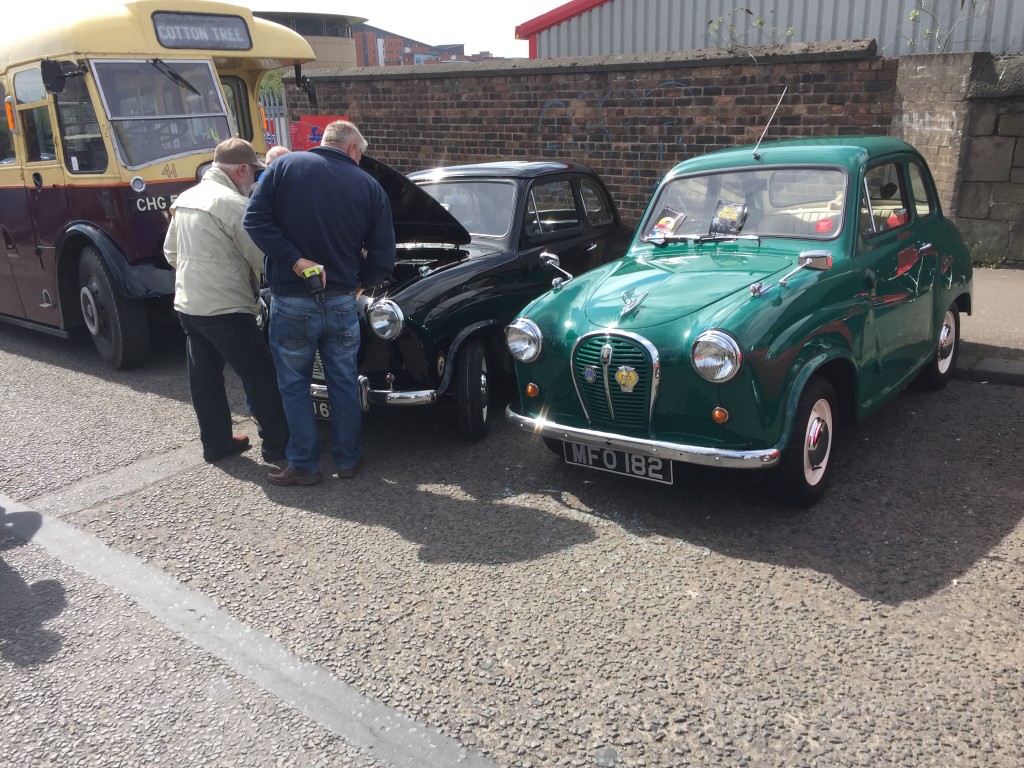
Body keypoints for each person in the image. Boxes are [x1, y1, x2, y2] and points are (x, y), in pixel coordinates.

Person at [244, 120, 395, 486]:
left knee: (293, 384)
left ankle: (305, 465)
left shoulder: (283, 166)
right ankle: (347, 459)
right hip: (343, 301)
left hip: (292, 300)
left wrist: (296, 261)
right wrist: (360, 282)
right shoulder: (370, 185)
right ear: (353, 149)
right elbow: (383, 257)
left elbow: (255, 221)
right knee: (343, 381)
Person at [164, 138, 289, 465]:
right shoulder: (234, 205)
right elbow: (262, 257)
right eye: (253, 173)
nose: (253, 181)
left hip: (188, 304)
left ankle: (216, 443)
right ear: (241, 169)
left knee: (205, 378)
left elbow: (170, 253)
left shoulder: (186, 198)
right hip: (226, 307)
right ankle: (278, 447)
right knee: (260, 376)